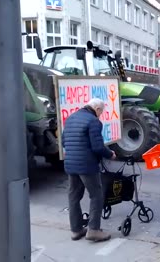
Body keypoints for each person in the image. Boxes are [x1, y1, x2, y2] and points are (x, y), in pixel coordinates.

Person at [62, 98, 116, 242]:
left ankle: (76, 230)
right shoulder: (93, 121)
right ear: (97, 109)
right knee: (96, 195)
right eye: (101, 112)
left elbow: (63, 141)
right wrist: (110, 154)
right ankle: (93, 230)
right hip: (86, 165)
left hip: (70, 164)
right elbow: (97, 147)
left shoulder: (70, 118)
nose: (100, 115)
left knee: (73, 196)